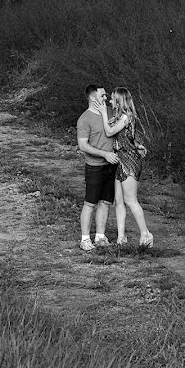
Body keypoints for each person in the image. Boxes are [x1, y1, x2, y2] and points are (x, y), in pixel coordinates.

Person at [76, 85, 130, 251]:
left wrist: (136, 146)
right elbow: (83, 146)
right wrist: (104, 154)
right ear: (93, 98)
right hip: (95, 166)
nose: (106, 98)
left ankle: (100, 236)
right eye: (103, 95)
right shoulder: (84, 119)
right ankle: (85, 239)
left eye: (106, 96)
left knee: (106, 202)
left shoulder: (111, 112)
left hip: (112, 165)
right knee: (90, 203)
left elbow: (124, 129)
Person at [105, 86, 153, 247]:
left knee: (131, 200)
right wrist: (138, 145)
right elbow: (130, 138)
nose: (110, 101)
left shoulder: (126, 116)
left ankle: (146, 234)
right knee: (118, 201)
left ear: (119, 100)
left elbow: (110, 131)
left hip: (129, 160)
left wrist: (104, 115)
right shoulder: (120, 116)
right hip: (120, 159)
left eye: (112, 98)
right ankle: (121, 237)